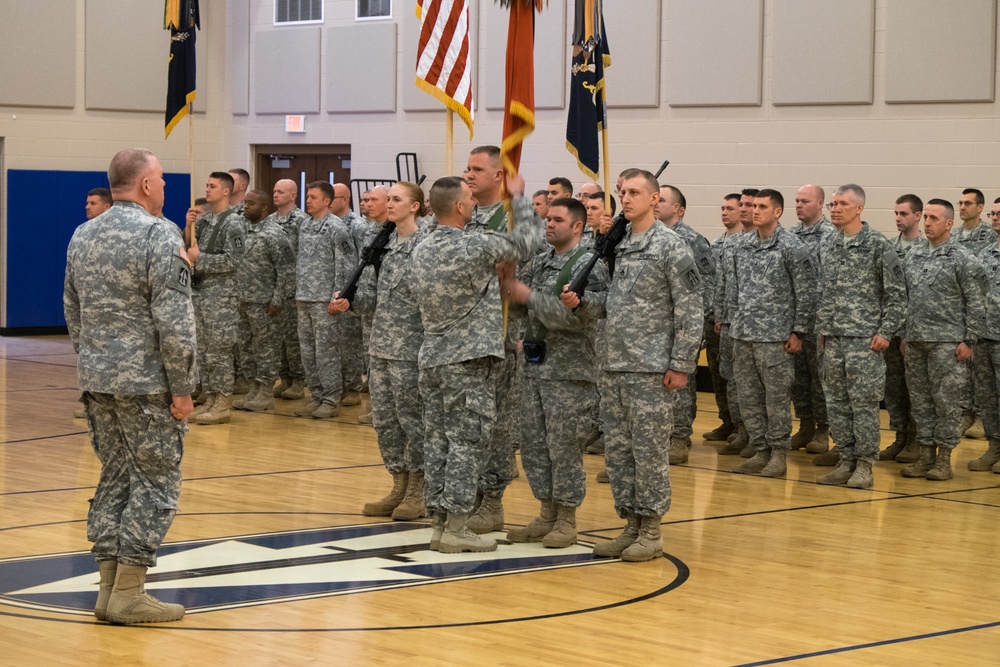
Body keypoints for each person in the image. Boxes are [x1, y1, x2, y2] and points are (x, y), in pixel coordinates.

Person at [64, 148, 196, 625]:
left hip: (97, 379)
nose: (163, 187)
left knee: (116, 476)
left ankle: (106, 591)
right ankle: (130, 593)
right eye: (160, 179)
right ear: (144, 185)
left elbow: (71, 308)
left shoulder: (84, 233)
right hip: (146, 384)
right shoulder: (159, 233)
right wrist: (183, 387)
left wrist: (94, 361)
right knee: (156, 480)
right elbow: (175, 321)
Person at [562, 169, 702, 562]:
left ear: (655, 199)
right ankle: (631, 525)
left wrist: (681, 363)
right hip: (614, 363)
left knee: (649, 452)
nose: (626, 198)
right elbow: (612, 306)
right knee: (619, 453)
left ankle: (652, 530)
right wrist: (584, 304)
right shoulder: (618, 246)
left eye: (635, 192)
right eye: (622, 192)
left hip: (651, 367)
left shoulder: (670, 247)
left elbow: (690, 309)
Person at [411, 175, 543, 554]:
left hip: (433, 357)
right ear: (459, 207)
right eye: (469, 198)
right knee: (467, 443)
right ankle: (456, 526)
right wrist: (518, 197)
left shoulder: (421, 245)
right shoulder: (472, 245)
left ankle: (439, 524)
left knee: (437, 442)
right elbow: (530, 242)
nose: (474, 202)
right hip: (466, 361)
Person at [502, 197, 608, 547]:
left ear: (577, 226)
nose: (548, 224)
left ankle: (566, 518)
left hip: (569, 370)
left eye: (557, 220)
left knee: (563, 446)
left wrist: (529, 296)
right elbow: (521, 310)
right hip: (534, 366)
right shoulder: (541, 260)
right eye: (547, 219)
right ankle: (546, 512)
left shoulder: (589, 264)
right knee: (534, 445)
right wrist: (511, 292)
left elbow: (577, 317)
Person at [333, 182, 429, 519]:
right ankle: (398, 484)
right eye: (387, 199)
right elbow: (372, 299)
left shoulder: (426, 243)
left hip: (412, 348)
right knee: (386, 422)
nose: (389, 204)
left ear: (415, 206)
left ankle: (419, 489)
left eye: (396, 199)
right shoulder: (381, 242)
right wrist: (350, 301)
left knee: (413, 421)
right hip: (381, 346)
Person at [461, 145, 543, 534]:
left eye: (478, 169)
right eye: (467, 168)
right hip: (465, 335)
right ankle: (467, 494)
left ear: (499, 176)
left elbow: (525, 262)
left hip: (502, 334)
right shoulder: (462, 214)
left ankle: (491, 500)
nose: (469, 175)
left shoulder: (511, 217)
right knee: (467, 422)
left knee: (497, 423)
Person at [814, 185, 905, 488]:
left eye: (842, 204)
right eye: (833, 204)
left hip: (865, 340)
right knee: (836, 403)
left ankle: (865, 464)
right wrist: (823, 330)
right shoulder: (828, 243)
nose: (835, 209)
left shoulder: (879, 244)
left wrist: (886, 332)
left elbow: (896, 295)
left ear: (859, 208)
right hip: (834, 338)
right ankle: (845, 460)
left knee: (863, 404)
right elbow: (824, 292)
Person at [729, 189, 817, 478]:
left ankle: (778, 454)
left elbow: (806, 292)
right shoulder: (741, 245)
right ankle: (760, 449)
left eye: (762, 206)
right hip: (743, 335)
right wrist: (732, 323)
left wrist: (798, 331)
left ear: (777, 212)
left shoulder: (792, 246)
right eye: (753, 206)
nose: (755, 211)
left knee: (776, 398)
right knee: (749, 396)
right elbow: (734, 288)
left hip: (776, 336)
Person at [901, 199, 987, 481]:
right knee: (921, 402)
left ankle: (944, 459)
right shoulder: (913, 254)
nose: (927, 223)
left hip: (947, 343)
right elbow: (904, 298)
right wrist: (904, 334)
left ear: (949, 223)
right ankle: (926, 455)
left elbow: (976, 301)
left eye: (934, 218)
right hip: (916, 341)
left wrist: (969, 339)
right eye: (925, 217)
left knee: (946, 403)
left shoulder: (963, 258)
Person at [655, 185, 714, 465]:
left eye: (662, 200)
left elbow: (708, 284)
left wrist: (697, 326)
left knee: (680, 386)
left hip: (682, 325)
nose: (656, 203)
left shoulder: (692, 240)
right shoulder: (649, 238)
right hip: (653, 327)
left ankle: (679, 438)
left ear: (678, 208)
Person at [185, 171, 245, 425]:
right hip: (201, 294)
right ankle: (209, 397)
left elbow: (235, 260)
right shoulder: (205, 220)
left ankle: (221, 402)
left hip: (222, 297)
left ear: (226, 192)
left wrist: (202, 259)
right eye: (206, 185)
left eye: (213, 186)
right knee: (204, 351)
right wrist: (189, 227)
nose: (207, 190)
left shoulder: (234, 223)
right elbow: (192, 251)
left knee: (219, 351)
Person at [294, 181, 355, 419]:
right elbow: (302, 261)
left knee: (326, 352)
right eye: (307, 196)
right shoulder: (305, 225)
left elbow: (346, 264)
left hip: (324, 301)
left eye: (313, 197)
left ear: (327, 201)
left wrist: (337, 295)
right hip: (306, 298)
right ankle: (317, 396)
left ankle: (331, 398)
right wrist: (300, 292)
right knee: (308, 353)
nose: (308, 201)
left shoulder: (336, 227)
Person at [233, 190, 294, 412]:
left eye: (251, 203)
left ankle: (266, 392)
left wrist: (277, 300)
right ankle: (253, 389)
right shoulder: (240, 229)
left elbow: (287, 270)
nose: (246, 207)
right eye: (245, 202)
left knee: (265, 348)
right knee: (245, 348)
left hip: (264, 303)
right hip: (241, 300)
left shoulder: (275, 234)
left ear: (264, 208)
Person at [788, 184, 835, 455]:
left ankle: (822, 429)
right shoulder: (790, 236)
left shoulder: (830, 235)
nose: (799, 205)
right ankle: (805, 425)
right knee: (798, 378)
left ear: (820, 203)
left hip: (819, 319)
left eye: (805, 201)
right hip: (795, 318)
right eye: (796, 200)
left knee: (821, 378)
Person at [713, 188, 759, 456]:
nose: (744, 209)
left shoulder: (774, 242)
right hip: (732, 322)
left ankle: (759, 436)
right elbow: (724, 283)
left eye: (749, 205)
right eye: (741, 204)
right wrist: (720, 314)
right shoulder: (732, 243)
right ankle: (742, 429)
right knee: (733, 379)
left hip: (759, 327)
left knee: (756, 383)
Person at [879, 194, 924, 463]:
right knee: (893, 388)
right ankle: (900, 437)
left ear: (917, 216)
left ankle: (917, 441)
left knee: (915, 389)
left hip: (916, 331)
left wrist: (909, 331)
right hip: (891, 330)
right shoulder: (888, 248)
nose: (898, 218)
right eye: (896, 213)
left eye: (904, 214)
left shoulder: (925, 248)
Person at [73, 187, 116, 420]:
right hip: (88, 307)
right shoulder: (81, 234)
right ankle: (88, 395)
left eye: (93, 203)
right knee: (88, 356)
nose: (87, 206)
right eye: (87, 202)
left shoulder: (118, 236)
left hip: (111, 309)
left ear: (107, 206)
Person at [955, 188, 995, 436]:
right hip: (959, 307)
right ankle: (965, 412)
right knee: (963, 366)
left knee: (982, 366)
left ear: (980, 207)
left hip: (985, 307)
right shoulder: (955, 235)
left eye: (968, 203)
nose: (962, 207)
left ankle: (981, 415)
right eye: (960, 202)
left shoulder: (990, 235)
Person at [702, 193, 742, 441]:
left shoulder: (745, 243)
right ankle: (726, 420)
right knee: (718, 373)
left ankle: (741, 425)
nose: (725, 212)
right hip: (714, 318)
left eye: (730, 208)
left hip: (734, 322)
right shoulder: (715, 245)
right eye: (722, 208)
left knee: (735, 375)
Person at [265, 179, 309, 400]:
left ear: (293, 195)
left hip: (293, 288)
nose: (275, 194)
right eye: (274, 190)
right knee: (277, 338)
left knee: (293, 339)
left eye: (280, 191)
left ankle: (299, 380)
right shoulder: (270, 221)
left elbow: (303, 258)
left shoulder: (302, 221)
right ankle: (285, 378)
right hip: (273, 286)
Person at [970, 196, 1000, 473]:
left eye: (999, 213)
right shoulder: (985, 254)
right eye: (993, 213)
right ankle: (994, 447)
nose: (995, 218)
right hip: (985, 336)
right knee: (987, 397)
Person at [330, 182, 366, 408]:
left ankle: (352, 387)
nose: (329, 201)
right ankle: (338, 386)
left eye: (333, 197)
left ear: (345, 199)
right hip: (331, 289)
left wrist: (353, 292)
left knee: (350, 343)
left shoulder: (357, 225)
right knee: (334, 343)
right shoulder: (327, 224)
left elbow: (363, 261)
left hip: (349, 291)